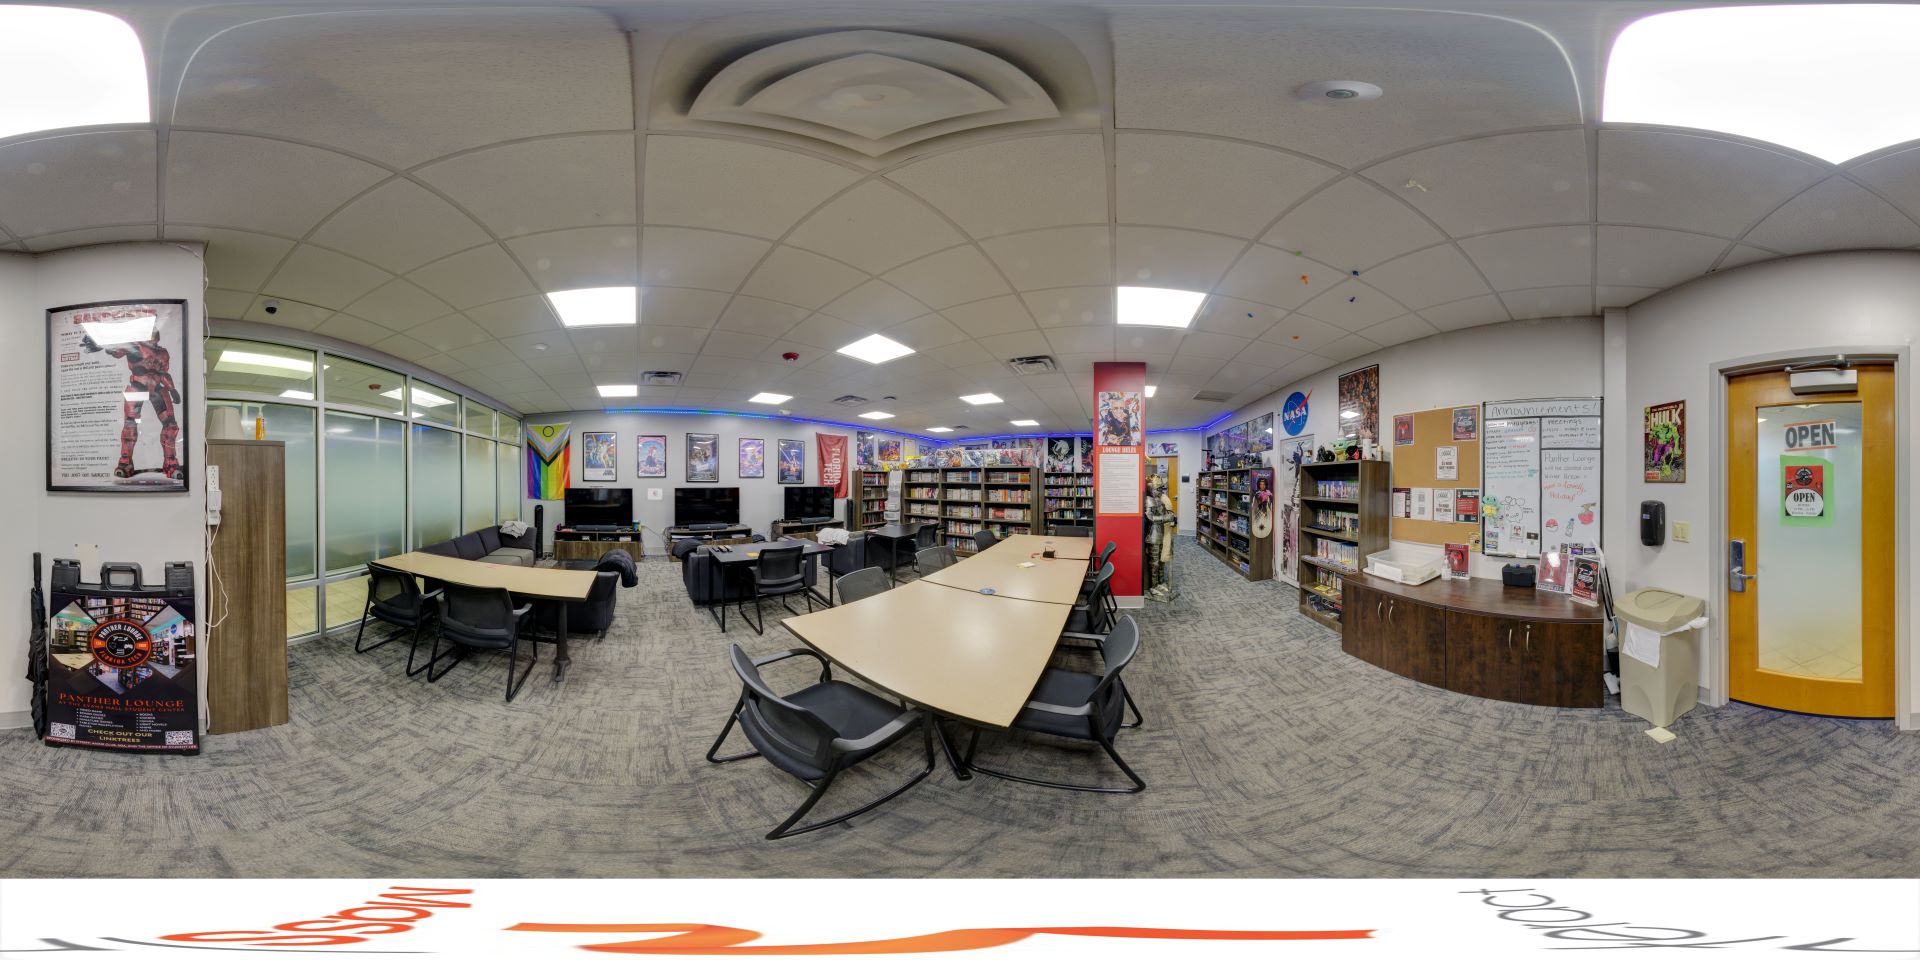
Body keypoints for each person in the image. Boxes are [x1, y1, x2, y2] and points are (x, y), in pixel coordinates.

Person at [82, 326, 181, 480]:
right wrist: (101, 344)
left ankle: (171, 463)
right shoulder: (136, 345)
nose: (152, 335)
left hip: (158, 389)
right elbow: (116, 351)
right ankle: (125, 463)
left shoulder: (163, 353)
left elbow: (163, 373)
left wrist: (172, 389)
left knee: (171, 426)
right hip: (137, 387)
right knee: (130, 425)